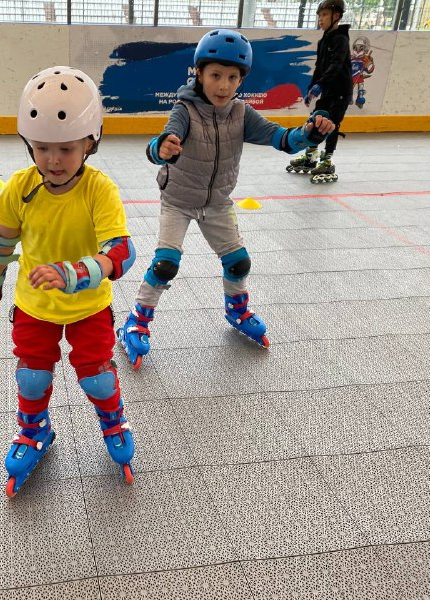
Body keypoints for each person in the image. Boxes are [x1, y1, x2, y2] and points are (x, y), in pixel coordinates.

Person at [118, 29, 334, 369]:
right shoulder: (185, 110)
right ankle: (136, 320)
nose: (223, 85)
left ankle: (237, 310)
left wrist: (309, 134)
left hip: (217, 203)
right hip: (178, 200)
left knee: (238, 263)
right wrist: (162, 148)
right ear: (199, 74)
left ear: (240, 80)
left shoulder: (241, 113)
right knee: (165, 264)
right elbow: (159, 144)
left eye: (232, 77)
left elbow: (280, 138)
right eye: (216, 75)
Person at [0, 66, 138, 497]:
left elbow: (122, 252)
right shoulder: (21, 187)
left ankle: (113, 419)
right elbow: (3, 239)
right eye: (42, 147)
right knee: (31, 376)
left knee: (97, 377)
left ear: (91, 142)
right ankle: (34, 430)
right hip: (34, 305)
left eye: (66, 148)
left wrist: (72, 274)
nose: (53, 159)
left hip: (88, 305)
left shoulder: (98, 190)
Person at [287, 0, 352, 183]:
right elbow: (319, 67)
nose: (320, 19)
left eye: (324, 15)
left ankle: (327, 160)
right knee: (316, 119)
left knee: (331, 125)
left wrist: (321, 84)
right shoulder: (323, 40)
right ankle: (311, 157)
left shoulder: (341, 39)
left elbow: (336, 65)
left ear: (336, 16)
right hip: (328, 89)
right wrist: (312, 86)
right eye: (319, 15)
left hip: (340, 91)